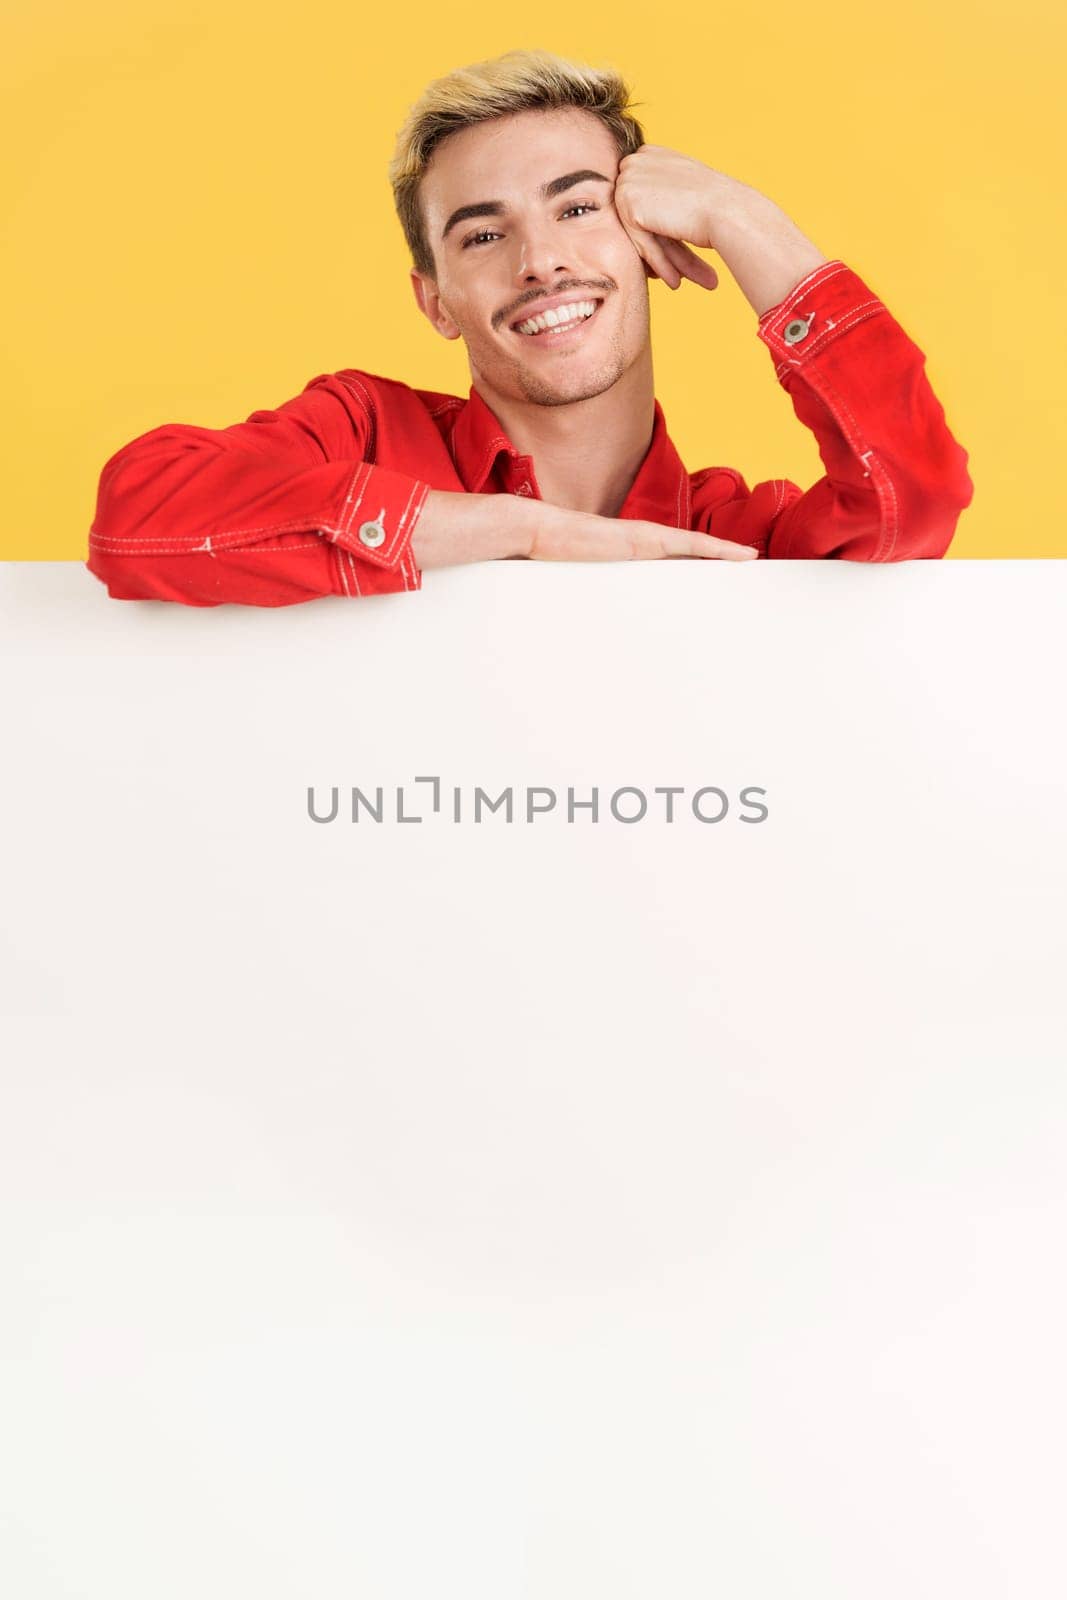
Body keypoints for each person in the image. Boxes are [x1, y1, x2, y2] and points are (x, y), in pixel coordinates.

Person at [86, 48, 973, 607]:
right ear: (435, 301)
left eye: (579, 208)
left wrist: (750, 222)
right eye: (481, 233)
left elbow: (911, 504)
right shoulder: (359, 431)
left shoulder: (731, 538)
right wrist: (522, 531)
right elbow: (136, 515)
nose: (538, 261)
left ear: (650, 241)